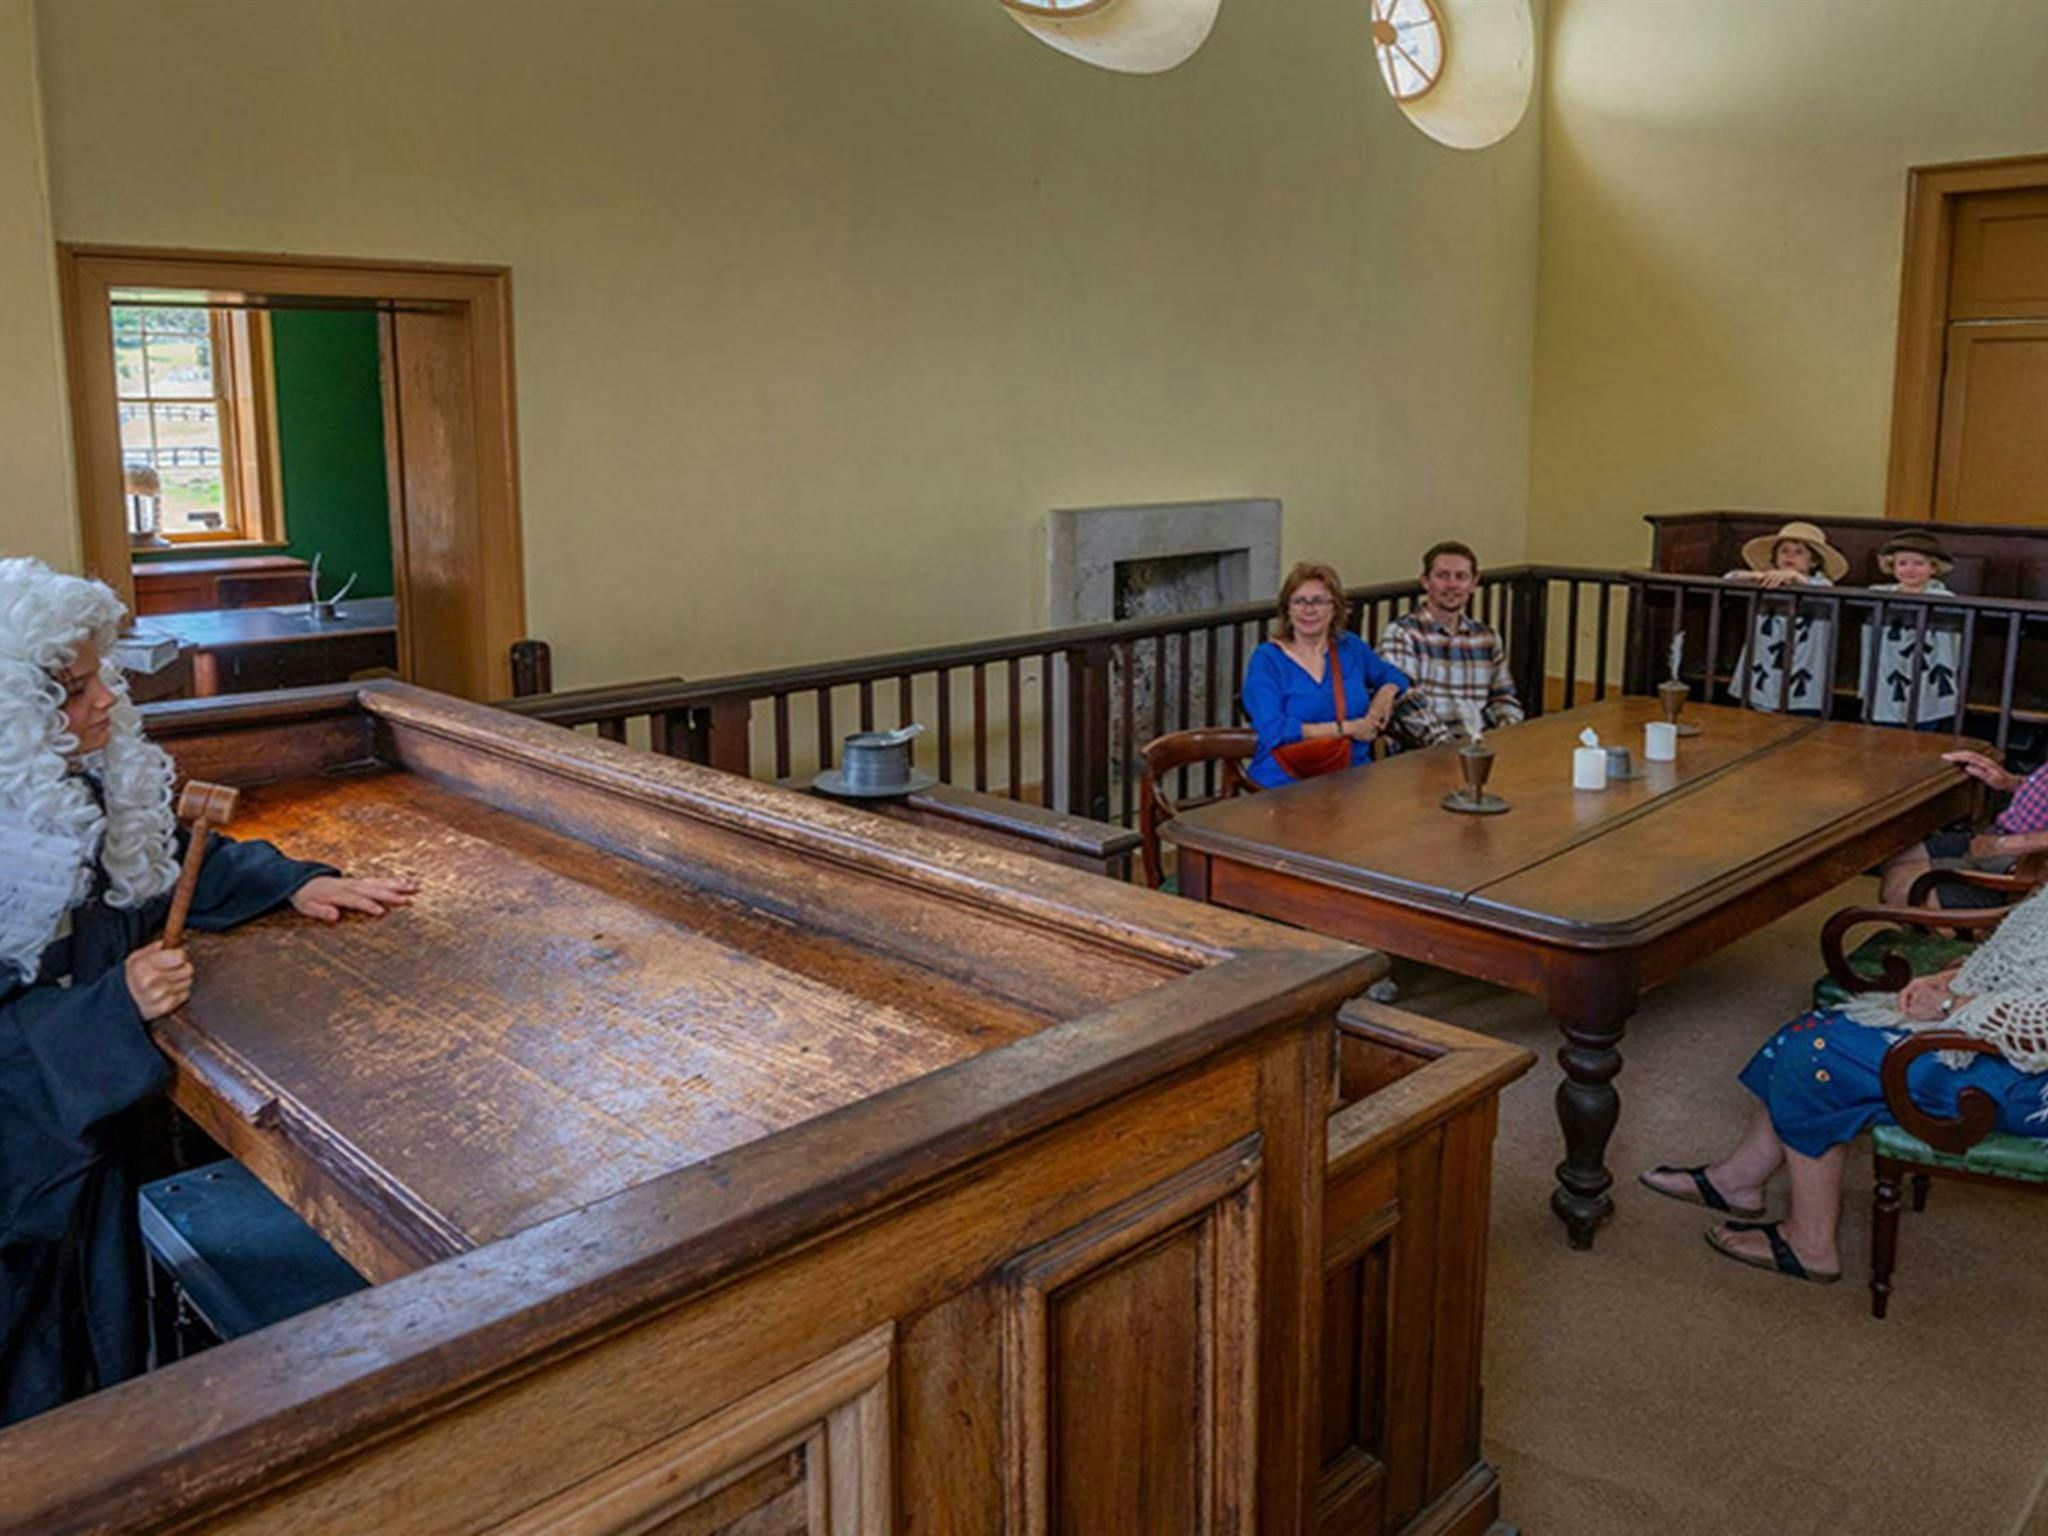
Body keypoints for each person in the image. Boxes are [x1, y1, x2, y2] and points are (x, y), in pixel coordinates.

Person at [0, 557, 417, 1426]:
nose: (104, 702)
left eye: (97, 679)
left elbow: (149, 876)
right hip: (22, 1198)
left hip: (87, 1166)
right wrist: (111, 1006)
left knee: (104, 1371)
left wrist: (287, 884)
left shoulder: (56, 796)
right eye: (76, 691)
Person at [1640, 884, 2048, 1286]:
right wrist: (1948, 979)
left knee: (1817, 1055)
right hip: (1994, 1043)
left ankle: (1810, 1244)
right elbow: (2020, 960)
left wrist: (1947, 1005)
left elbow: (2039, 1030)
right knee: (1809, 1032)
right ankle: (1737, 1180)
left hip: (2022, 1083)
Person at [1241, 561, 1408, 789]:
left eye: (1319, 601)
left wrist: (1385, 695)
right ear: (1287, 609)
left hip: (1352, 777)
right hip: (1285, 783)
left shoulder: (1350, 647)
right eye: (1299, 601)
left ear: (1335, 608)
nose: (1309, 610)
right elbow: (1273, 729)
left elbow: (1394, 676)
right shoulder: (1267, 659)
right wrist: (1347, 728)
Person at [1377, 540, 1524, 749]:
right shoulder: (1403, 632)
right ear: (1425, 581)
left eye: (1461, 577)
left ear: (1474, 583)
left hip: (1477, 745)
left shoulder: (1487, 637)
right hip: (1420, 751)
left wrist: (1505, 732)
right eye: (1442, 576)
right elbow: (1405, 702)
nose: (1452, 585)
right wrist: (1447, 746)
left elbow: (1503, 697)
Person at [1876, 748, 2048, 908]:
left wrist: (2004, 844)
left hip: (2026, 864)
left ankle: (1953, 935)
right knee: (1895, 855)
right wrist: (2011, 782)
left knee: (1900, 886)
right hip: (2002, 836)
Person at [1723, 520, 1847, 715]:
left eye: (1799, 552)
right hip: (1764, 659)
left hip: (1804, 659)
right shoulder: (1766, 581)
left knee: (1800, 710)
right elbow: (1729, 579)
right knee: (1759, 708)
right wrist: (1756, 576)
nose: (1790, 556)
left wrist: (1797, 579)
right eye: (1784, 550)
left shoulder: (1820, 584)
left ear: (1813, 561)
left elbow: (1827, 591)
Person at [1860, 530, 1961, 731]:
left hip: (1925, 672)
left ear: (1934, 567)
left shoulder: (1944, 597)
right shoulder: (1880, 593)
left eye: (1919, 563)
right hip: (1887, 670)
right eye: (1903, 563)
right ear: (1892, 566)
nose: (1910, 569)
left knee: (1923, 719)